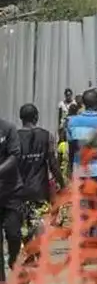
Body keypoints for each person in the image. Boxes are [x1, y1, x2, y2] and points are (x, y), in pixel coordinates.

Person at [7, 105, 61, 275]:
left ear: (21, 118)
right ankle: (38, 252)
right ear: (36, 117)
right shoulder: (47, 136)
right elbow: (52, 163)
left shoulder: (13, 137)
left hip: (19, 190)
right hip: (39, 189)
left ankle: (31, 253)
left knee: (24, 224)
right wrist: (62, 183)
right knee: (38, 222)